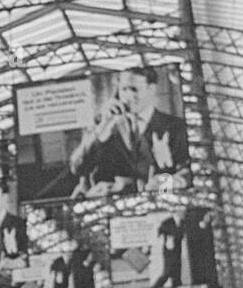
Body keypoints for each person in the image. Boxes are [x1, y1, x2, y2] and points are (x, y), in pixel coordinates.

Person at [69, 66, 190, 195]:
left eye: (134, 89)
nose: (129, 96)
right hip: (113, 205)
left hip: (159, 203)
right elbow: (77, 168)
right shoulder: (102, 124)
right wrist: (102, 130)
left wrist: (169, 183)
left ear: (151, 89)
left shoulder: (175, 126)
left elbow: (188, 169)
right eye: (124, 89)